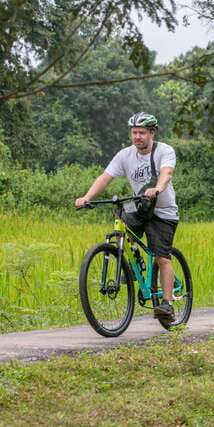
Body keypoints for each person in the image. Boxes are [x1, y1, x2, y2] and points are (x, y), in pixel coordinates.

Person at [74, 112, 180, 323]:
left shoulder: (164, 151)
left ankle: (167, 304)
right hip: (141, 207)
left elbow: (166, 174)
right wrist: (87, 197)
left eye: (141, 132)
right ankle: (132, 263)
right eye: (134, 132)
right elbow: (105, 178)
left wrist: (157, 189)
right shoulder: (125, 155)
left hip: (163, 212)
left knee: (162, 257)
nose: (137, 137)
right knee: (121, 217)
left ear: (152, 133)